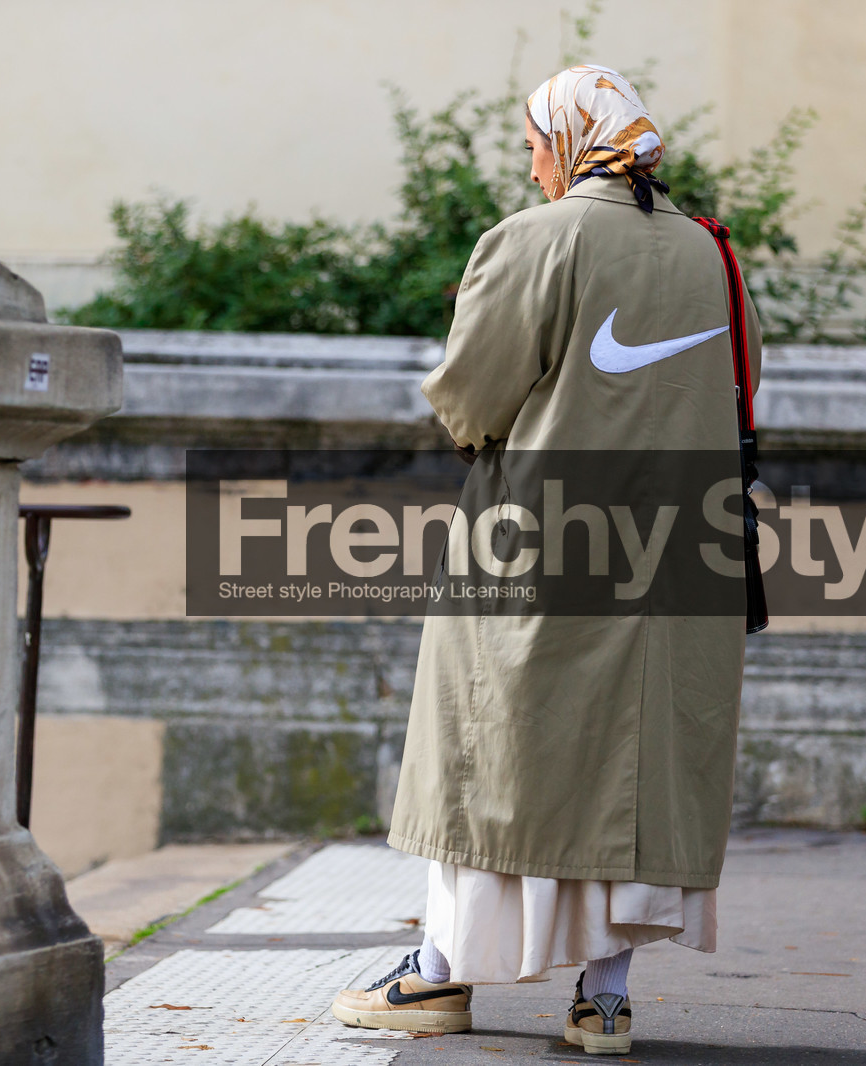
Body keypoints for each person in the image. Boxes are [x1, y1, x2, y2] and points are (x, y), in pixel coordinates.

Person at [329, 65, 761, 1056]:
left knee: (492, 753)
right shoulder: (710, 255)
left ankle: (437, 977)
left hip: (542, 542)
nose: (530, 166)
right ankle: (601, 998)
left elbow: (469, 400)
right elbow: (744, 390)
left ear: (572, 138)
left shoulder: (537, 239)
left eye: (534, 143)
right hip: (683, 551)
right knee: (642, 765)